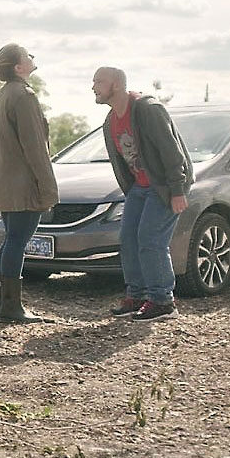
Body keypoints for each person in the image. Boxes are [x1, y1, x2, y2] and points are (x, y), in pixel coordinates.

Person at [92, 67, 194, 322]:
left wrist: (177, 190)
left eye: (98, 82)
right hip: (140, 187)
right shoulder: (110, 121)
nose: (93, 87)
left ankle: (163, 301)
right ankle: (136, 296)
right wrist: (131, 189)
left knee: (151, 240)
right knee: (128, 238)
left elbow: (172, 151)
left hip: (165, 185)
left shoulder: (147, 109)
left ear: (115, 85)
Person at [0, 43, 58, 323]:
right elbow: (35, 148)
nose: (33, 57)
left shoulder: (2, 96)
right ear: (18, 67)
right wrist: (48, 187)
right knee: (17, 239)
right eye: (28, 55)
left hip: (6, 181)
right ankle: (11, 307)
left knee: (12, 239)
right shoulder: (24, 96)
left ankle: (1, 304)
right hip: (23, 183)